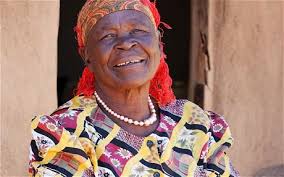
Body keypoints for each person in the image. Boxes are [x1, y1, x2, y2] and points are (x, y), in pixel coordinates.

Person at [28, 0, 239, 176]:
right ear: (87, 56)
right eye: (107, 36)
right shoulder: (67, 132)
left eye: (138, 30)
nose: (126, 43)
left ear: (158, 42)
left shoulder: (194, 122)